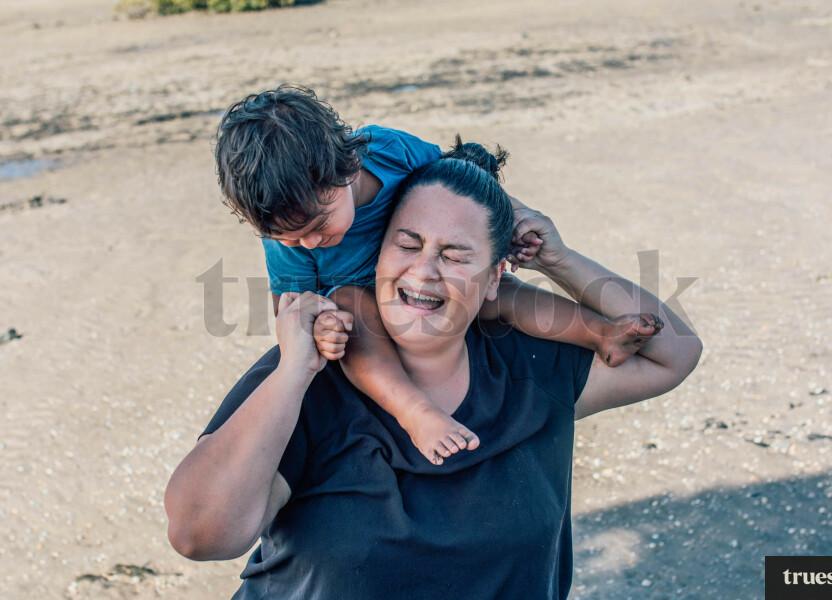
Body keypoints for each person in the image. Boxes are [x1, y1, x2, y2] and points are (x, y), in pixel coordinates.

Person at [165, 146, 702, 598]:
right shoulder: (312, 371)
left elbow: (673, 352)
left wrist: (556, 258)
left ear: (496, 280)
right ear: (377, 252)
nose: (423, 271)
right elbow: (200, 534)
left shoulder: (528, 365)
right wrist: (291, 373)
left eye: (455, 254)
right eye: (407, 243)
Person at [215, 84, 661, 464]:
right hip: (366, 304)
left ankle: (601, 332)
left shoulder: (390, 151)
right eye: (290, 239)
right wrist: (322, 323)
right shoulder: (286, 238)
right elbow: (291, 310)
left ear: (346, 166)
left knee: (504, 291)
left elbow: (461, 181)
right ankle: (415, 413)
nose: (308, 245)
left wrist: (512, 220)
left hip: (434, 272)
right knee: (354, 305)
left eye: (316, 226)